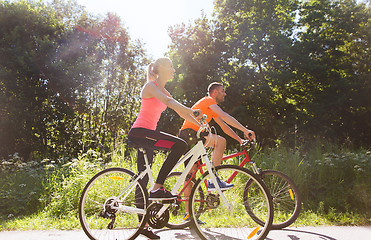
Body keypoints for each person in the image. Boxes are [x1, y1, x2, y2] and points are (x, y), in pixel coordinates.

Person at [127, 57, 202, 239]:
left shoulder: (164, 90)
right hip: (140, 132)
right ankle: (158, 187)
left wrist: (199, 124)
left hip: (147, 135)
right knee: (180, 144)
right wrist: (192, 112)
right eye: (171, 66)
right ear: (160, 68)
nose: (174, 70)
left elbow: (179, 110)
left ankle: (142, 225)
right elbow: (170, 104)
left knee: (142, 177)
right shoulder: (151, 87)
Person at [178, 82, 256, 223]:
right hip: (190, 134)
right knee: (220, 142)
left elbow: (224, 126)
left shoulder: (211, 108)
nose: (225, 94)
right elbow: (225, 116)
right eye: (222, 91)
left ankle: (188, 216)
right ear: (214, 92)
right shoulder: (209, 100)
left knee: (191, 175)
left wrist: (239, 139)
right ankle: (213, 179)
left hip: (192, 136)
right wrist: (245, 130)